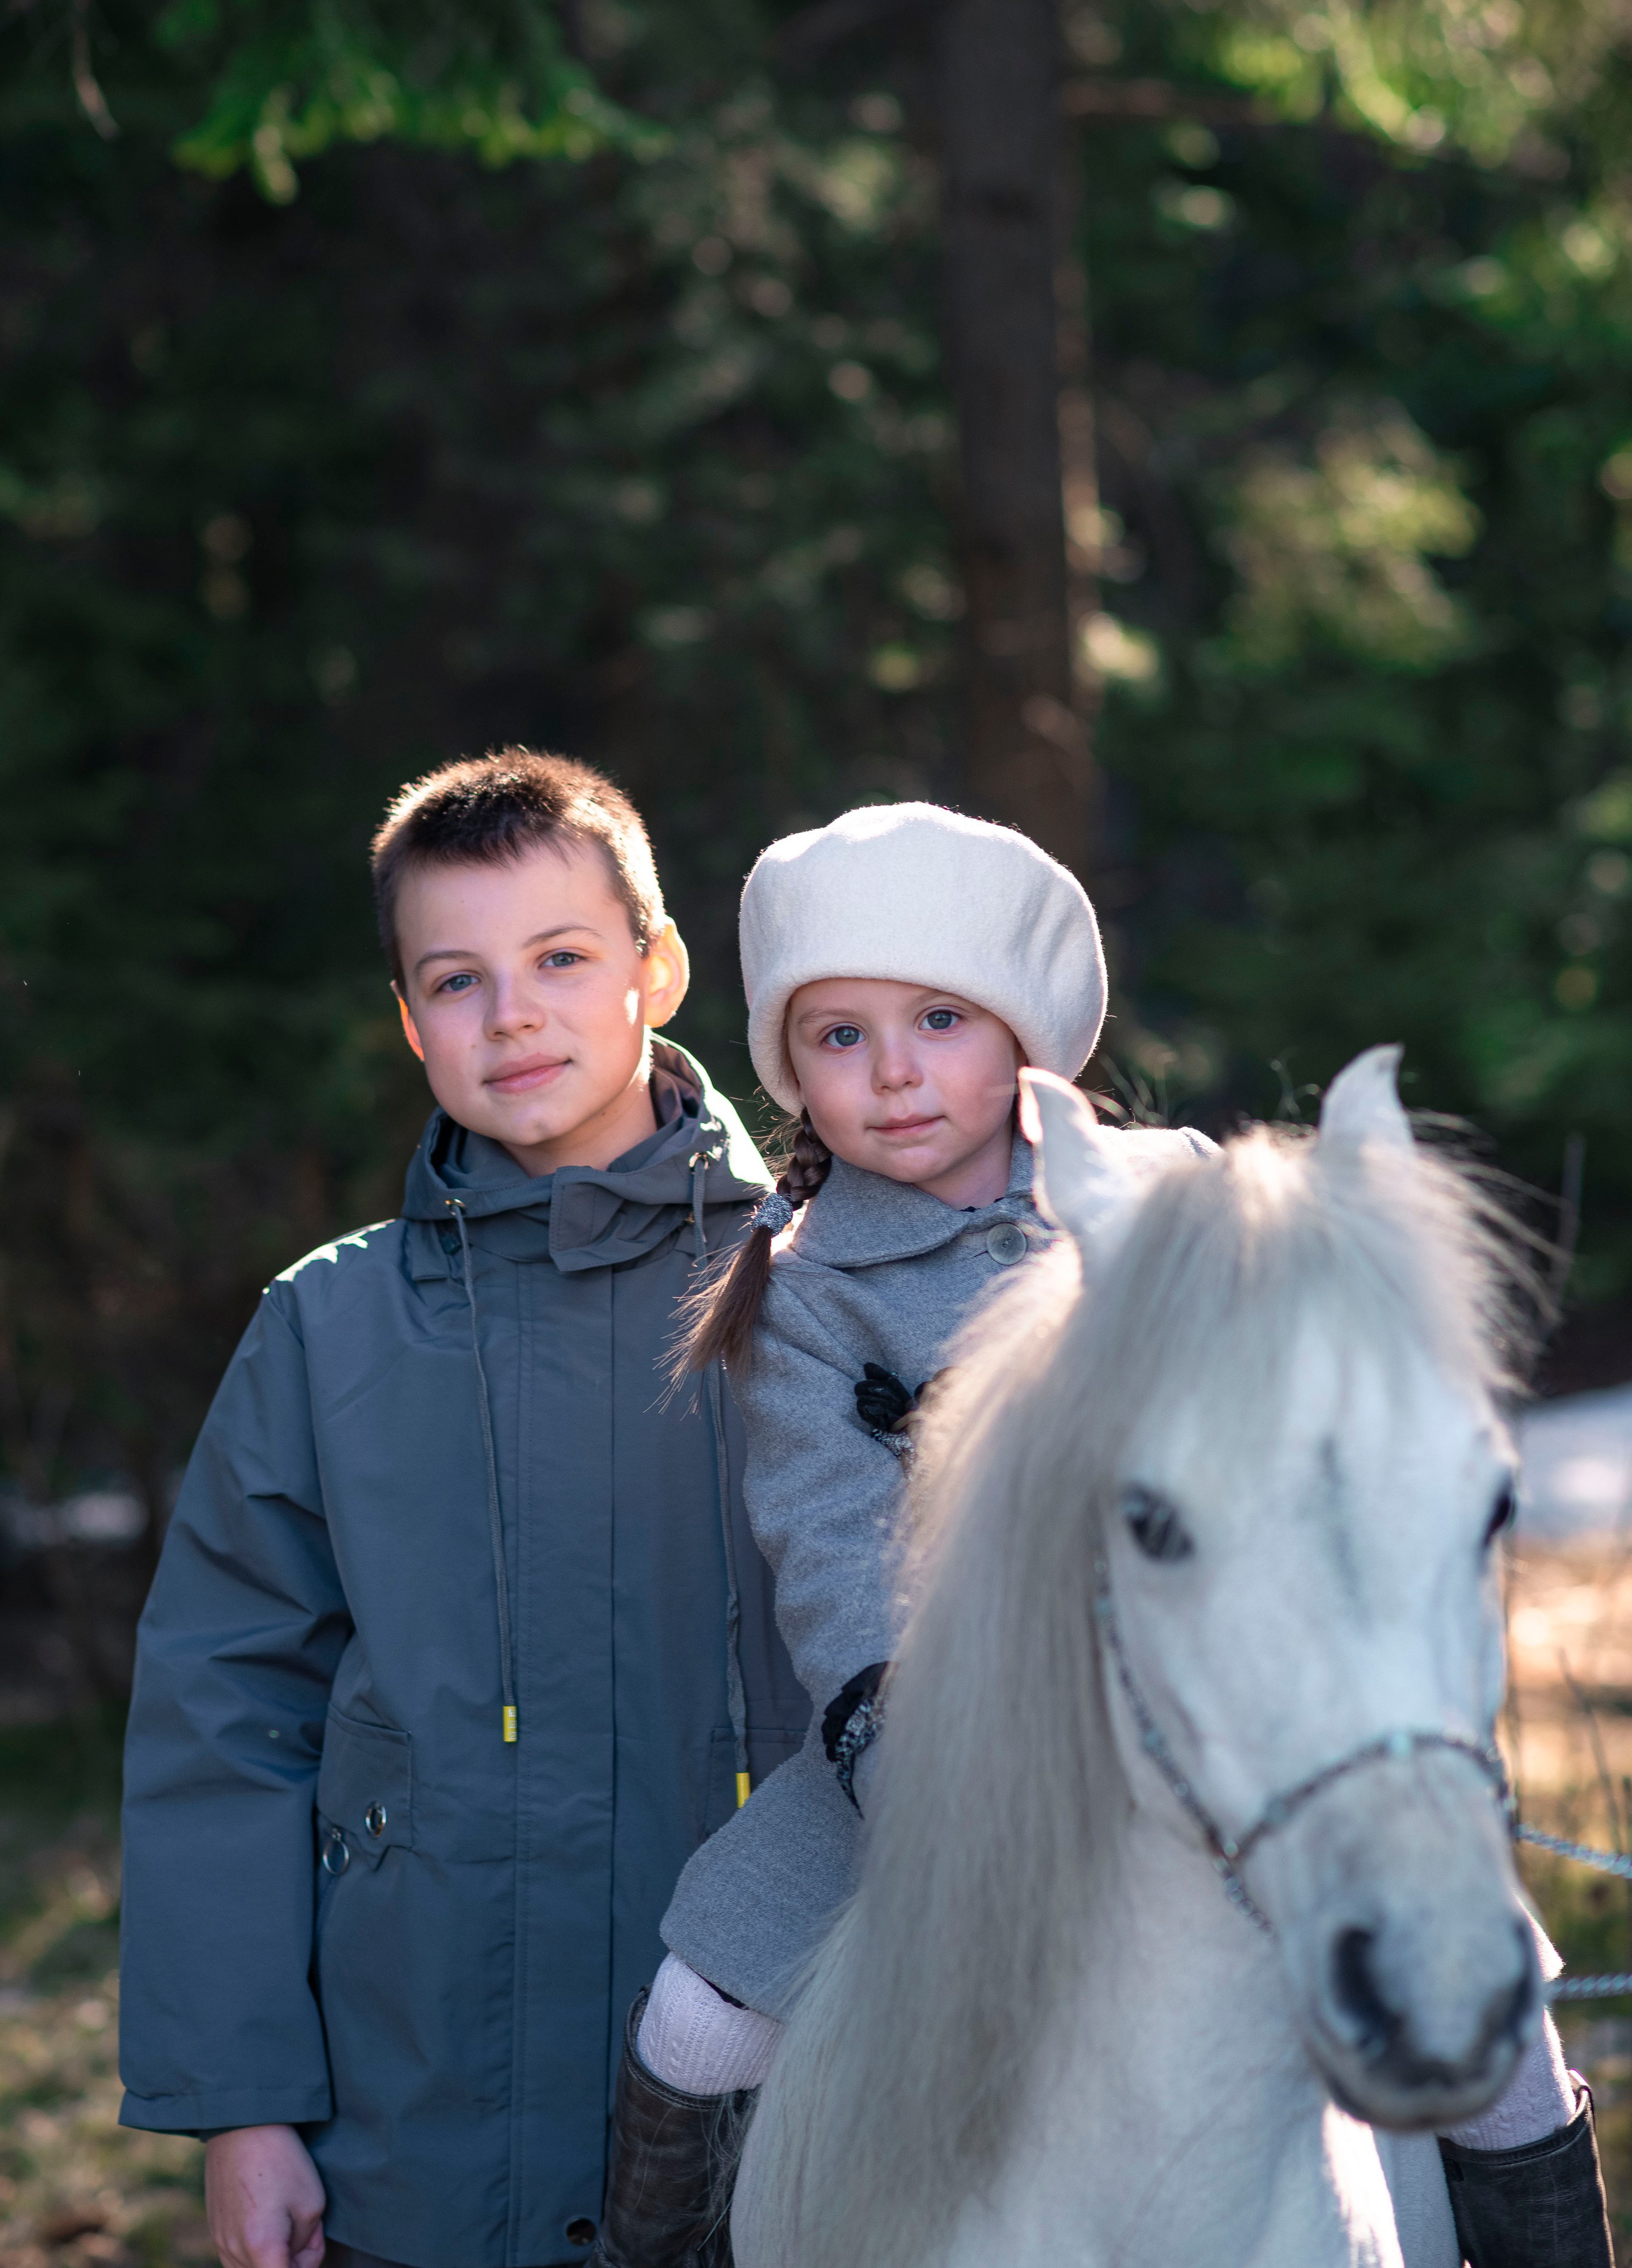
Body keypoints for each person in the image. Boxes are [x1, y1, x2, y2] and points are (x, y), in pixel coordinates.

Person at [597, 800, 1615, 2268]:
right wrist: (909, 1752)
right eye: (837, 1037)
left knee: (1503, 2013)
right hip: (931, 1752)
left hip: (1215, 1708)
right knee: (696, 2017)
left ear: (1021, 1030)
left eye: (938, 1017)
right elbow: (823, 1546)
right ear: (790, 1072)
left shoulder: (1170, 1211)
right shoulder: (806, 1291)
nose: (891, 1071)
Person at [117, 748, 807, 2268]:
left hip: (793, 2134)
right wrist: (243, 2112)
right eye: (457, 978)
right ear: (410, 1020)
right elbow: (222, 1722)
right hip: (414, 2153)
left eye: (562, 957)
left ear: (659, 967)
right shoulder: (328, 1330)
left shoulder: (817, 1291)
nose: (514, 1013)